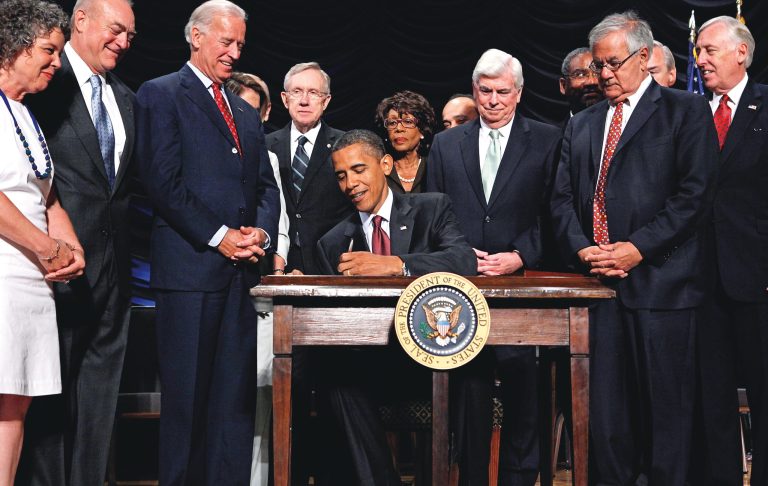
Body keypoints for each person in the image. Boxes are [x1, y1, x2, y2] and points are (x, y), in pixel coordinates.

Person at [549, 11, 719, 485]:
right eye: (598, 65)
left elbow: (694, 195)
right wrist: (584, 250)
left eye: (612, 63)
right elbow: (561, 200)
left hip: (664, 288)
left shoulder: (684, 111)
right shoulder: (582, 124)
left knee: (666, 420)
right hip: (596, 292)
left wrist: (636, 248)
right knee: (605, 421)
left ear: (644, 58)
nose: (603, 74)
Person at [135, 1, 280, 484]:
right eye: (226, 41)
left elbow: (265, 186)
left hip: (240, 277)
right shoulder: (160, 95)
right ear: (195, 37)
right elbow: (161, 180)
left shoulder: (243, 110)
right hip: (189, 274)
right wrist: (220, 238)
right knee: (187, 402)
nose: (235, 52)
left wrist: (258, 233)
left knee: (232, 404)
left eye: (240, 43)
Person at [15, 0, 137, 483]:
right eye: (116, 29)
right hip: (53, 266)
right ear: (80, 20)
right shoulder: (41, 86)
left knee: (100, 393)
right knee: (46, 393)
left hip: (114, 272)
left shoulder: (126, 97)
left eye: (131, 35)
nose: (123, 42)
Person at [427, 48, 561, 485]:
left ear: (519, 93)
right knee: (469, 392)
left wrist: (521, 255)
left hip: (521, 287)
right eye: (485, 91)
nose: (493, 100)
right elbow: (434, 211)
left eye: (503, 92)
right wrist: (461, 254)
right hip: (463, 287)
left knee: (525, 392)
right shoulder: (447, 144)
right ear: (474, 90)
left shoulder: (546, 139)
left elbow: (553, 212)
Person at [316, 129, 476, 484]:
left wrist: (395, 265)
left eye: (359, 170)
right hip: (372, 365)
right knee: (334, 377)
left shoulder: (431, 208)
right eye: (341, 175)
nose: (350, 184)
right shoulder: (331, 243)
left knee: (475, 372)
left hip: (434, 356)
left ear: (384, 164)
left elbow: (463, 260)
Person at [0, 1, 83, 484]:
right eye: (48, 51)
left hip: (32, 276)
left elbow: (46, 197)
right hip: (5, 272)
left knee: (14, 402)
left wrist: (69, 245)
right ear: (13, 46)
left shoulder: (25, 113)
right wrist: (44, 247)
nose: (56, 63)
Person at [691, 15, 765, 486]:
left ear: (741, 52)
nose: (700, 60)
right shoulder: (691, 112)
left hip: (758, 275)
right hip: (701, 278)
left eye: (709, 50)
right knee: (710, 395)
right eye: (697, 51)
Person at [266, 62, 352, 275]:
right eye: (297, 92)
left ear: (326, 101)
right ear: (285, 99)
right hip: (276, 265)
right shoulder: (265, 146)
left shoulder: (346, 145)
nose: (304, 101)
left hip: (330, 263)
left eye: (313, 92)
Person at [374, 90, 436, 194]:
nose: (398, 128)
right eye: (392, 122)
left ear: (422, 130)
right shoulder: (379, 170)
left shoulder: (433, 167)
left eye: (408, 122)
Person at [559, 46, 603, 120]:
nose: (591, 82)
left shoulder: (622, 127)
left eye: (597, 73)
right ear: (563, 86)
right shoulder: (553, 131)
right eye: (580, 75)